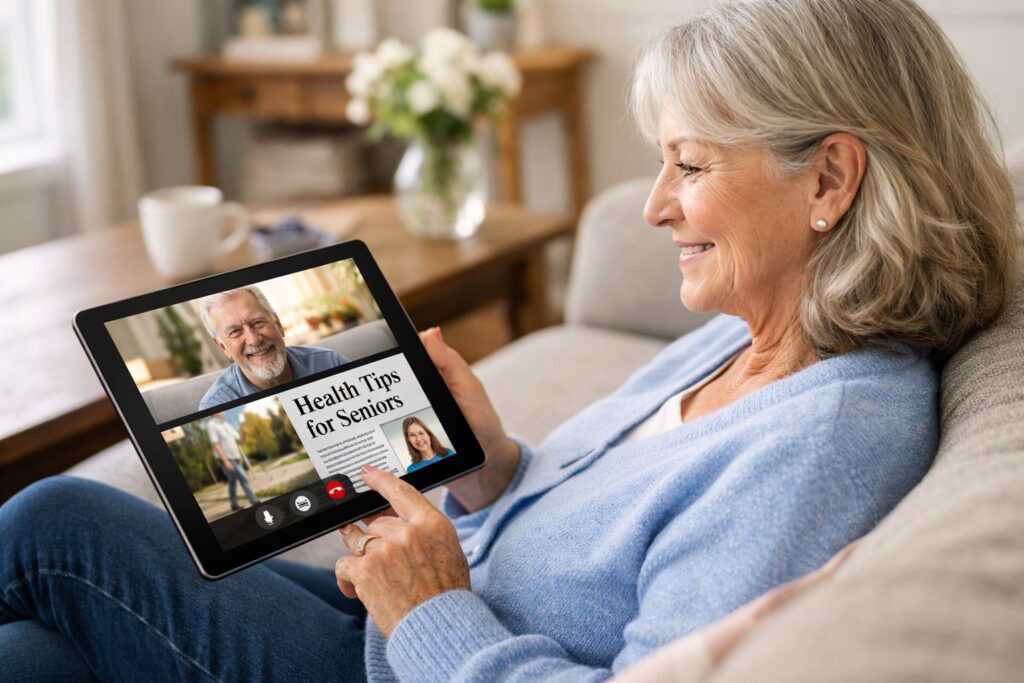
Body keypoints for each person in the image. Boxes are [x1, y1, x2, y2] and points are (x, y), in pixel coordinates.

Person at [1, 1, 1019, 680]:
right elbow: (600, 543)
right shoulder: (752, 337)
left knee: (55, 515)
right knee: (33, 654)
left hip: (419, 654)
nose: (655, 205)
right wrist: (494, 469)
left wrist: (431, 608)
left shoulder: (821, 442)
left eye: (690, 164)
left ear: (831, 181)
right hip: (408, 628)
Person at [197, 286, 351, 410]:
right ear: (223, 347)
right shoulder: (216, 406)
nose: (254, 340)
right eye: (235, 332)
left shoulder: (330, 362)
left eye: (257, 322)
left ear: (278, 324)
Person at [206, 411, 260, 511]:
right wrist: (226, 461)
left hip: (236, 456)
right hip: (226, 458)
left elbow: (239, 441)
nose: (223, 412)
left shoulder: (227, 425)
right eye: (220, 411)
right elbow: (215, 444)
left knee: (232, 481)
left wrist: (244, 433)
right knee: (243, 478)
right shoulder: (211, 425)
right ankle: (254, 501)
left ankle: (233, 504)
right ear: (215, 413)